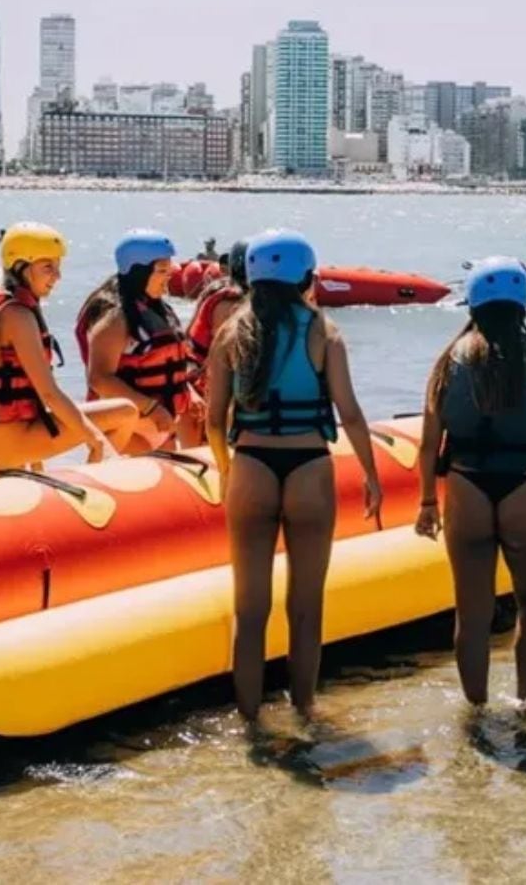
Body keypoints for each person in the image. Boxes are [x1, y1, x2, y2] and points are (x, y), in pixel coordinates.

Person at [204, 229, 382, 722]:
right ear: (307, 277)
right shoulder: (323, 332)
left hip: (252, 467)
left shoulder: (230, 333)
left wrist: (225, 468)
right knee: (305, 608)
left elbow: (213, 418)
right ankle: (305, 713)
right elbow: (349, 413)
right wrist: (371, 474)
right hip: (309, 469)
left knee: (250, 610)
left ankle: (250, 725)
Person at [414, 257, 526, 708]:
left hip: (467, 485)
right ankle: (524, 702)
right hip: (523, 484)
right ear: (523, 302)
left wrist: (427, 501)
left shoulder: (447, 362)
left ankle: (476, 711)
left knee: (472, 613)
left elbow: (430, 444)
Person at [0, 222, 135, 478]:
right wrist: (98, 442)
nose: (57, 276)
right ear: (21, 268)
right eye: (48, 267)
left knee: (9, 510)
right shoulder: (18, 315)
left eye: (58, 267)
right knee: (126, 412)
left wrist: (37, 463)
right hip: (10, 443)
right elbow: (48, 394)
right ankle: (93, 485)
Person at [84, 230, 202, 451]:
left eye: (169, 269)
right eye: (161, 271)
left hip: (163, 429)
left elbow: (174, 362)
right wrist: (151, 408)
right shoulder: (116, 320)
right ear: (138, 272)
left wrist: (190, 393)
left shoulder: (162, 311)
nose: (169, 276)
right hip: (131, 432)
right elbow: (99, 379)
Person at [187, 240, 249, 375]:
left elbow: (188, 331)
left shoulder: (215, 289)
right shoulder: (229, 303)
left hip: (198, 366)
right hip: (206, 374)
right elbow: (220, 353)